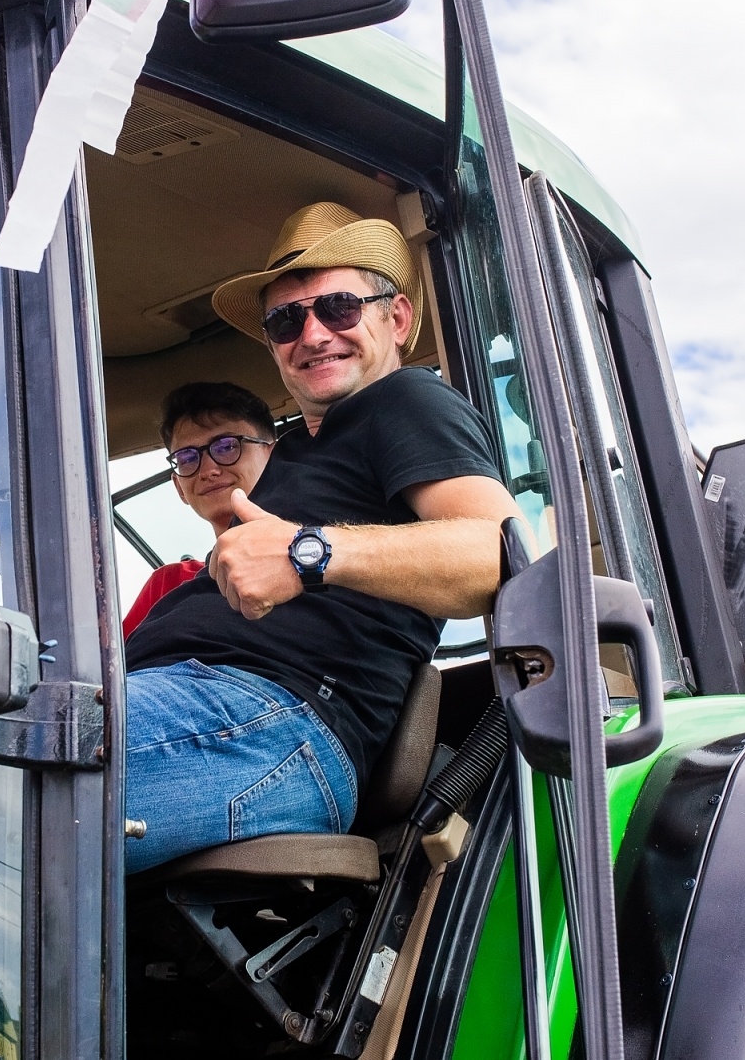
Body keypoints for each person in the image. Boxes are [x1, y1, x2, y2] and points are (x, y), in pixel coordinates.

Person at [123, 202, 521, 873]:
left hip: (273, 717)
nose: (312, 334)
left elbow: (503, 557)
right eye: (286, 320)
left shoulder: (405, 401)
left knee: (3, 757)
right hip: (191, 700)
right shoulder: (297, 458)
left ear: (397, 319)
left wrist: (308, 553)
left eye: (338, 308)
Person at [122, 382, 278, 637]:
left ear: (274, 457)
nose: (208, 470)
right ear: (179, 488)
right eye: (187, 458)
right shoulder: (168, 585)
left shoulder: (323, 557)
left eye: (226, 446)